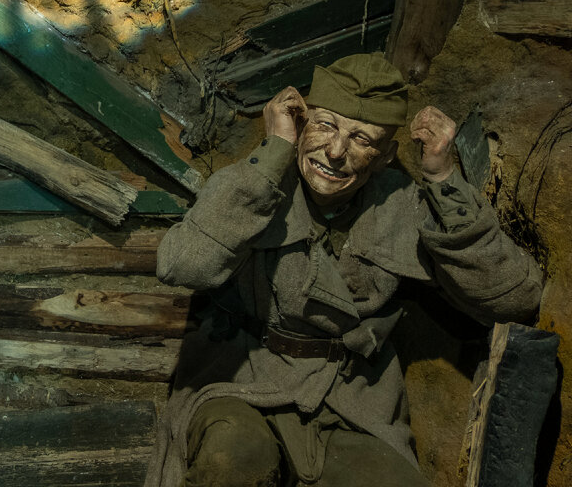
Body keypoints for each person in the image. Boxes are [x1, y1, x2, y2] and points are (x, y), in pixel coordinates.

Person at [145, 53, 543, 487]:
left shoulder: (404, 205)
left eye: (361, 140)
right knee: (236, 458)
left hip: (350, 397)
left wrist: (444, 179)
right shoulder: (256, 181)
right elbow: (180, 265)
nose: (335, 152)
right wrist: (276, 148)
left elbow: (515, 299)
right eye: (325, 125)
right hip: (242, 379)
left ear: (386, 155)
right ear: (301, 125)